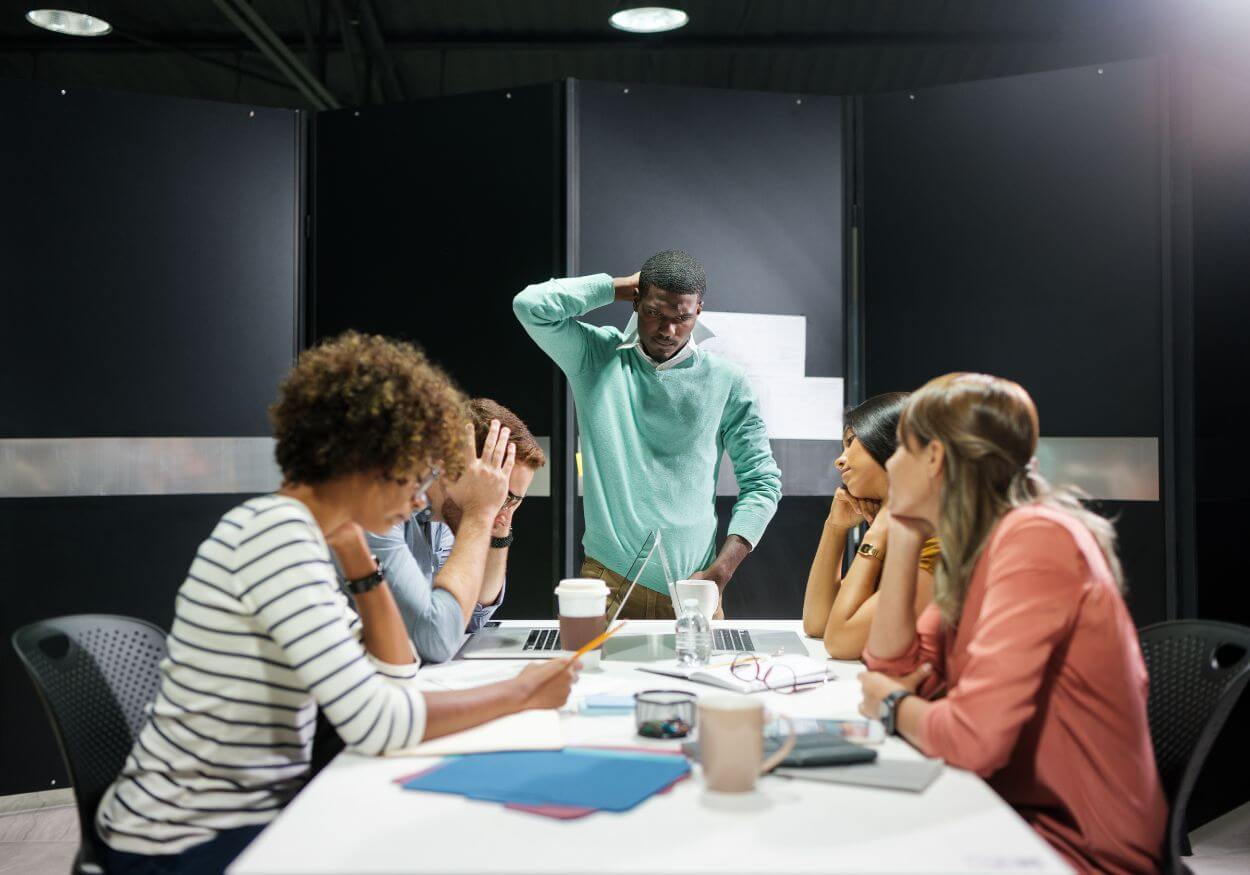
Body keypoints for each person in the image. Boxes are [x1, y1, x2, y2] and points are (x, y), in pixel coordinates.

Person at [95, 332, 578, 873]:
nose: (421, 497)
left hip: (251, 815)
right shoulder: (274, 537)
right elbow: (377, 723)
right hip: (184, 842)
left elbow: (395, 674)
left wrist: (357, 559)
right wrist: (521, 692)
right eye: (413, 473)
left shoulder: (308, 535)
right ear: (362, 461)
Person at [857, 373, 1165, 874]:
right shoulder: (980, 546)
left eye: (900, 450)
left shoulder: (1035, 541)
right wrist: (907, 532)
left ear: (934, 458)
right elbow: (892, 665)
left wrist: (892, 704)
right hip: (1001, 811)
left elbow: (969, 740)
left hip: (1070, 846)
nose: (890, 464)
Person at [513, 250, 782, 619]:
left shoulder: (727, 380)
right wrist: (616, 286)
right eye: (655, 312)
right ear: (636, 301)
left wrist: (721, 573)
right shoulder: (595, 356)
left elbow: (763, 483)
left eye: (682, 317)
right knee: (592, 678)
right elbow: (530, 305)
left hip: (696, 585)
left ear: (699, 311)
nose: (667, 330)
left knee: (703, 678)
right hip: (608, 581)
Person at [366, 398, 546, 663]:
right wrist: (478, 513)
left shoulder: (446, 515)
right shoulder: (380, 510)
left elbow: (473, 617)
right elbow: (434, 640)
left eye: (513, 501)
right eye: (501, 495)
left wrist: (499, 530)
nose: (502, 509)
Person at [801, 393, 940, 659]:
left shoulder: (938, 540)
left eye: (851, 443)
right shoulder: (903, 531)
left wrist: (878, 531)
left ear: (893, 445)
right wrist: (835, 527)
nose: (839, 460)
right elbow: (818, 623)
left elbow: (840, 642)